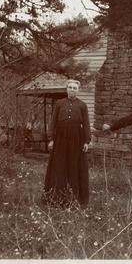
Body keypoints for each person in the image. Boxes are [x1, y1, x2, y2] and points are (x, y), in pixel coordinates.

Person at [42, 79, 91, 207]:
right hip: (60, 139)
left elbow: (86, 124)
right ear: (66, 89)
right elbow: (53, 122)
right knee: (59, 166)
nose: (72, 89)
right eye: (70, 87)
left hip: (76, 140)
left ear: (78, 90)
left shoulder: (82, 106)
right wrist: (51, 139)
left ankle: (74, 198)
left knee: (74, 166)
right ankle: (56, 197)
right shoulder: (59, 104)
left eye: (75, 88)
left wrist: (87, 141)